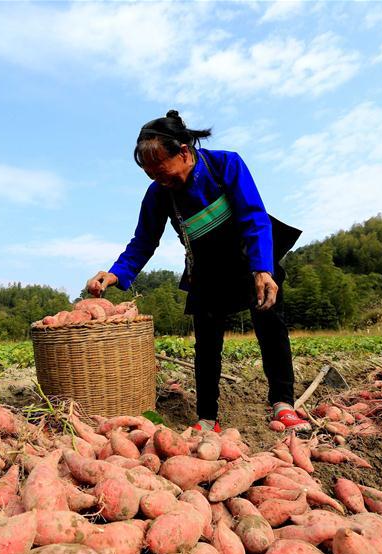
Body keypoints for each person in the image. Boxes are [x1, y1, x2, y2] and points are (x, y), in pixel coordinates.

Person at [86, 110, 308, 432]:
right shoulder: (159, 193)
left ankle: (282, 404)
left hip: (249, 260)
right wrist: (115, 273)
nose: (159, 180)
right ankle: (207, 418)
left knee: (271, 326)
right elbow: (144, 241)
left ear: (184, 152)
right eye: (151, 175)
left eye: (162, 170)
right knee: (206, 345)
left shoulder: (225, 165)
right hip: (206, 270)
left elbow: (254, 216)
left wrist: (263, 269)